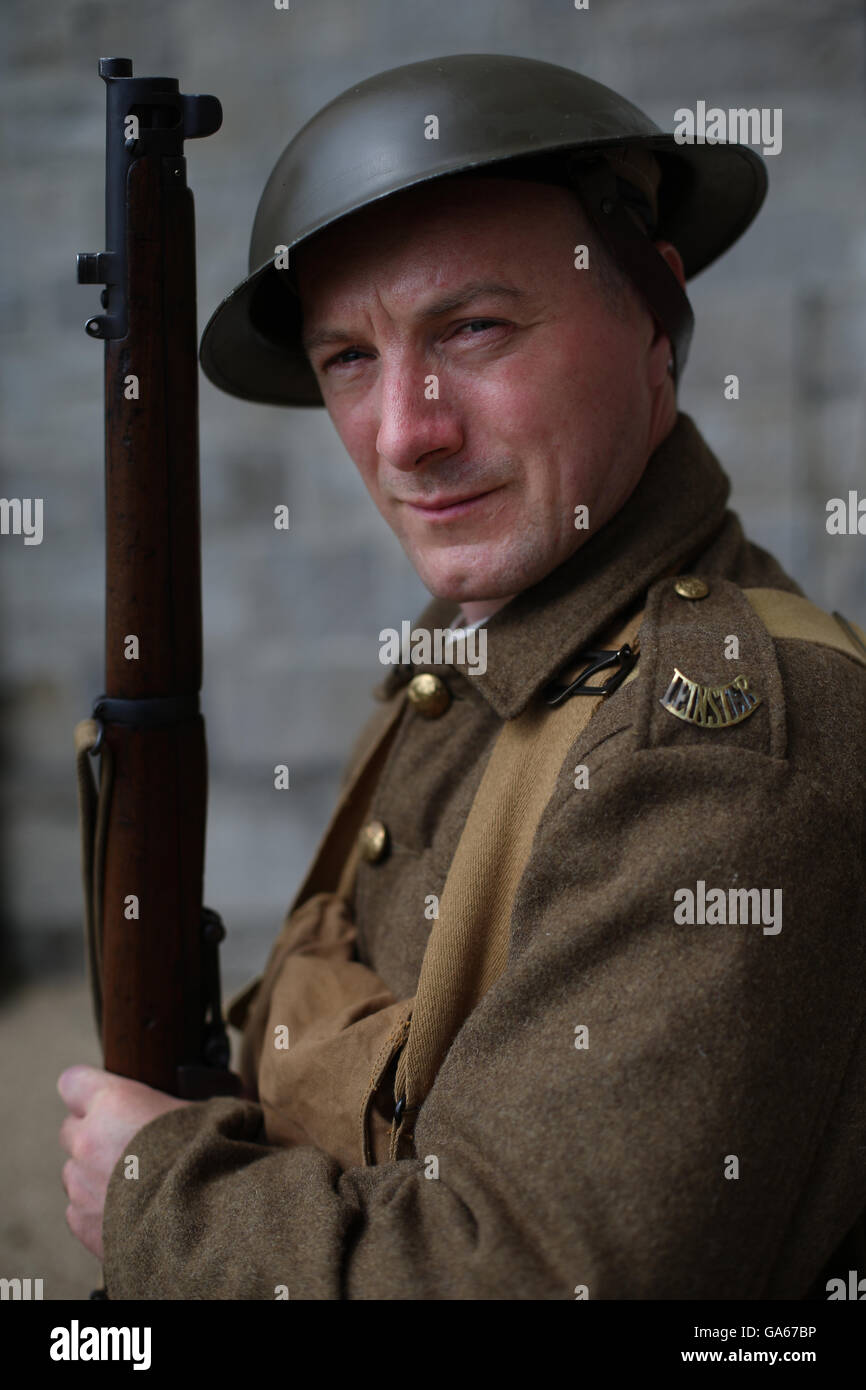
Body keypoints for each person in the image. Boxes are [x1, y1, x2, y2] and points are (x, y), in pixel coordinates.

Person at [58, 54, 866, 1300]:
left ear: (655, 309)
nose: (406, 434)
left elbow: (534, 1279)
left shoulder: (701, 750)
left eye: (472, 327)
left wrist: (162, 1191)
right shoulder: (492, 652)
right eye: (348, 359)